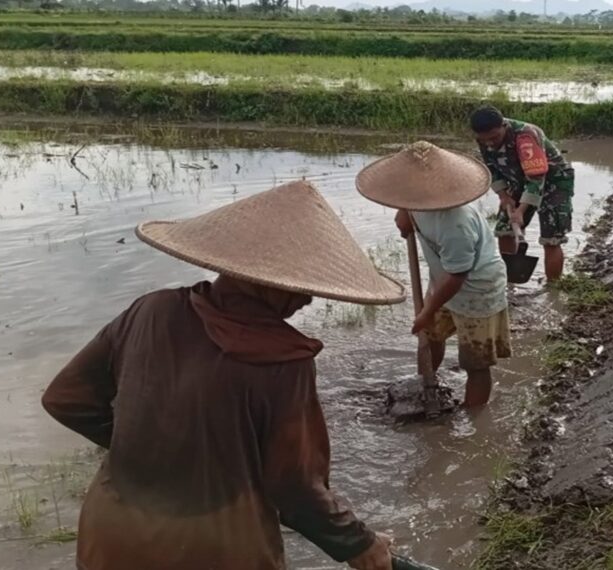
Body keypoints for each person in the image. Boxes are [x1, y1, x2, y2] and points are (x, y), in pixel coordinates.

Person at [41, 181, 406, 570]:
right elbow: (294, 489)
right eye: (299, 285)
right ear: (259, 278)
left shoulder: (149, 310)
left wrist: (152, 450)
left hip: (110, 539)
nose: (307, 299)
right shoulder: (284, 359)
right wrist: (359, 544)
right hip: (216, 550)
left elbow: (66, 399)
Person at [356, 141, 511, 408]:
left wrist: (427, 310)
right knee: (430, 336)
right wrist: (404, 213)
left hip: (477, 290)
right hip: (444, 280)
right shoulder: (415, 199)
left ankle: (473, 415)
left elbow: (458, 276)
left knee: (476, 362)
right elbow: (406, 212)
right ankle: (426, 384)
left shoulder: (456, 223)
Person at [470, 105, 576, 282]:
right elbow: (491, 168)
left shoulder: (526, 136)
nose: (489, 143)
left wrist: (521, 210)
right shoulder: (484, 139)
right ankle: (508, 281)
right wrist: (504, 196)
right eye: (485, 139)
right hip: (518, 179)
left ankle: (553, 287)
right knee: (505, 230)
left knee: (551, 238)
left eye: (494, 138)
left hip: (554, 181)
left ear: (504, 126)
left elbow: (536, 178)